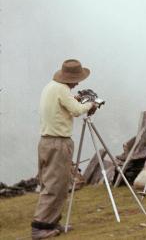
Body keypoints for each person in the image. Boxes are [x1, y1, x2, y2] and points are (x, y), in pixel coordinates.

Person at [31, 59, 98, 239]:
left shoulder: (51, 87)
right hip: (58, 142)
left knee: (55, 183)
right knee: (55, 185)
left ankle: (51, 222)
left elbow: (62, 107)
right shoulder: (62, 89)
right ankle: (39, 227)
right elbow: (76, 111)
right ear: (69, 78)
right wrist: (91, 104)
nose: (78, 83)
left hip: (46, 141)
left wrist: (75, 100)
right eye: (76, 79)